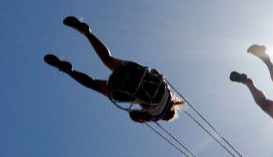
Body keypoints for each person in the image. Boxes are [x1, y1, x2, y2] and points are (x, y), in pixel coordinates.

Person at [44, 16, 183, 123]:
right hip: (126, 90)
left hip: (136, 73)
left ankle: (87, 32)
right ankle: (68, 70)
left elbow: (154, 72)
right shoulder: (154, 116)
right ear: (165, 117)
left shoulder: (167, 91)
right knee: (93, 84)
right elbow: (133, 115)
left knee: (107, 59)